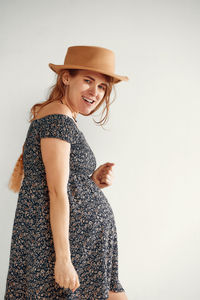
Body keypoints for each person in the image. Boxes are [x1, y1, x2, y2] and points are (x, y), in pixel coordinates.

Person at [5, 45, 129, 300]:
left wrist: (91, 182)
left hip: (81, 244)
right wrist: (63, 259)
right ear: (66, 77)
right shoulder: (58, 118)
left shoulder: (62, 117)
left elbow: (57, 180)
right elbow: (55, 191)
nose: (95, 92)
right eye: (88, 80)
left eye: (102, 86)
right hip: (62, 246)